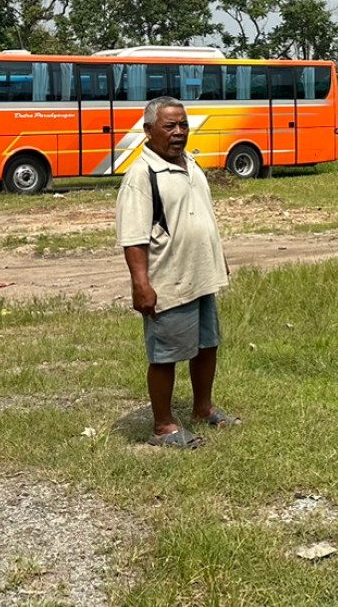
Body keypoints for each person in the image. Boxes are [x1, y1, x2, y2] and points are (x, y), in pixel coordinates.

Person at [117, 95, 239, 448]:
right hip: (168, 278)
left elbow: (202, 217)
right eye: (169, 126)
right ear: (148, 130)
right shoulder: (142, 175)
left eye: (183, 125)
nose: (179, 132)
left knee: (207, 345)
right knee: (166, 354)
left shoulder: (191, 165)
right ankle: (163, 427)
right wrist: (141, 284)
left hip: (200, 274)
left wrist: (219, 256)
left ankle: (203, 409)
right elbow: (133, 236)